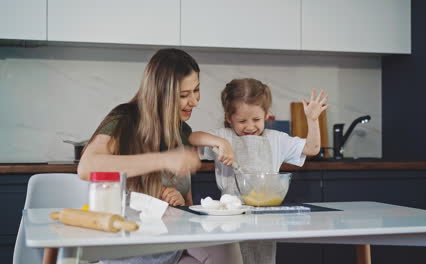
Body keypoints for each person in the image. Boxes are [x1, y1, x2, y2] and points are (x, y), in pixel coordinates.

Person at [49, 48, 242, 264]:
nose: (195, 101)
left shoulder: (179, 128)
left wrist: (181, 200)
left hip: (170, 241)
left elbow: (185, 201)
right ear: (160, 95)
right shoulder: (125, 119)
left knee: (225, 245)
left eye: (196, 90)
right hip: (130, 244)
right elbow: (87, 167)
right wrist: (165, 159)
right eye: (183, 95)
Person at [190, 78, 329, 264]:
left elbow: (312, 149)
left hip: (267, 219)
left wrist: (312, 120)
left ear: (266, 114)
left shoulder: (277, 140)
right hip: (230, 219)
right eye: (241, 121)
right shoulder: (223, 136)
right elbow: (192, 138)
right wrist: (220, 143)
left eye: (256, 119)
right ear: (228, 118)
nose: (249, 126)